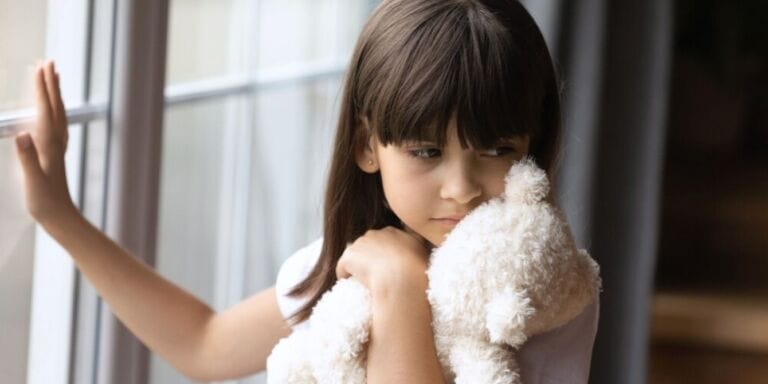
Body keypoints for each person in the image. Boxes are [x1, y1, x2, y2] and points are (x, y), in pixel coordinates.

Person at [14, 0, 599, 382]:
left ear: (532, 146)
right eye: (425, 152)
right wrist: (59, 216)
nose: (462, 188)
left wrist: (402, 290)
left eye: (497, 150)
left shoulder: (545, 294)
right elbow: (204, 345)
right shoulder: (353, 260)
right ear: (368, 146)